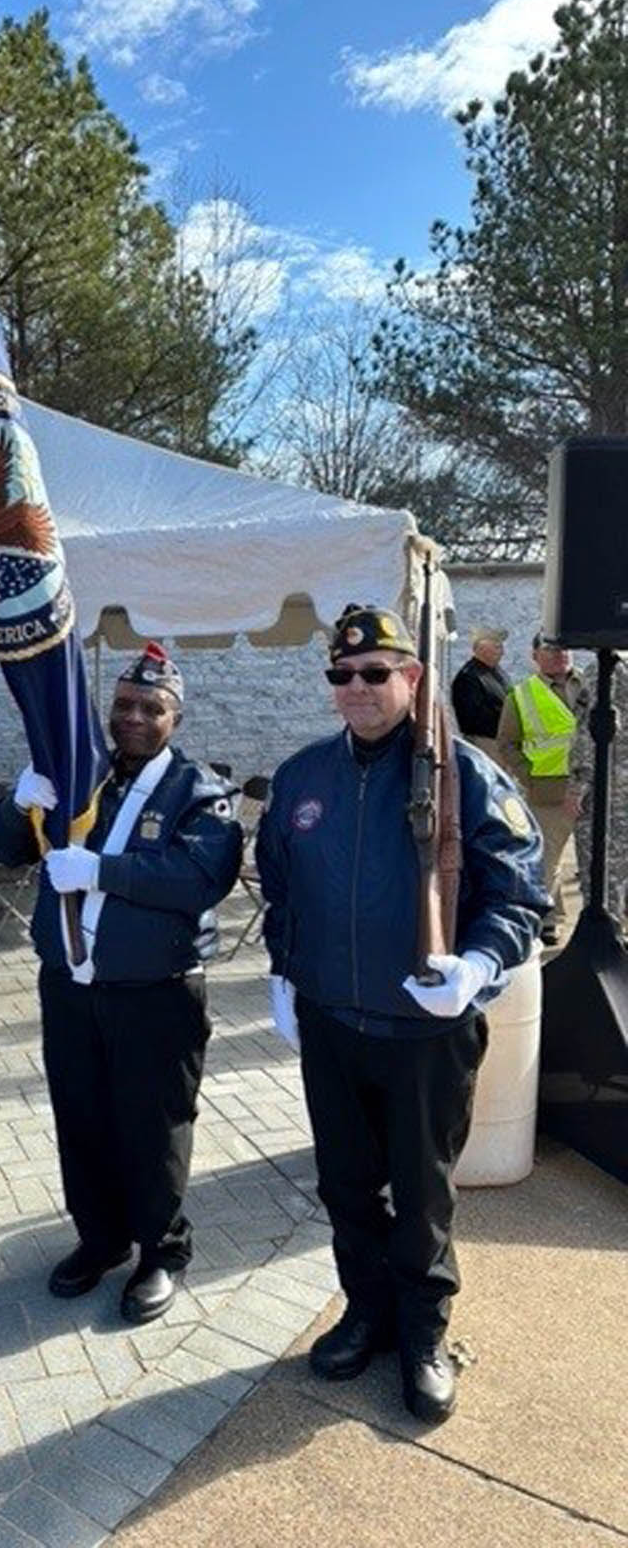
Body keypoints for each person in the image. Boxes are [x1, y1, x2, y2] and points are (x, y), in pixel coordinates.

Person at [256, 604, 547, 1423]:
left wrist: (480, 966)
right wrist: (285, 972)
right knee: (347, 1186)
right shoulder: (303, 776)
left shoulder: (467, 776)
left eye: (376, 672)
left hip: (425, 1032)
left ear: (412, 679)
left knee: (421, 1196)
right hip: (332, 1024)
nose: (357, 686)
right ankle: (367, 1313)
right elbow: (277, 882)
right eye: (342, 675)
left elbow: (519, 896)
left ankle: (423, 1334)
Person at [0, 643, 242, 1324]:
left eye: (149, 708)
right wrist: (19, 804)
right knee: (82, 1117)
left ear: (173, 718)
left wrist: (102, 871)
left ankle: (162, 1251)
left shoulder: (197, 791)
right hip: (71, 988)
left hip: (155, 993)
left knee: (152, 1126)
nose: (131, 718)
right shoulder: (80, 780)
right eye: (122, 704)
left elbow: (199, 880)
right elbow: (3, 848)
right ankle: (99, 1239)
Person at [495, 633, 590, 944]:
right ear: (534, 655)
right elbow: (507, 744)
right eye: (550, 649)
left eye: (564, 647)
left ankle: (610, 920)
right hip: (548, 790)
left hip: (595, 786)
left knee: (605, 859)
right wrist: (529, 776)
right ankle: (548, 921)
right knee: (547, 862)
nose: (560, 653)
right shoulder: (520, 695)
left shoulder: (594, 683)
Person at [573, 653, 628, 926]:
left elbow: (589, 728)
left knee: (605, 866)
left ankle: (609, 931)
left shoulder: (609, 670)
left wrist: (580, 783)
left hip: (611, 786)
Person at [450, 625, 509, 756]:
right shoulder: (468, 677)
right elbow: (471, 719)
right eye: (497, 647)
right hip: (485, 743)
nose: (502, 652)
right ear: (482, 649)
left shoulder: (496, 673)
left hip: (501, 742)